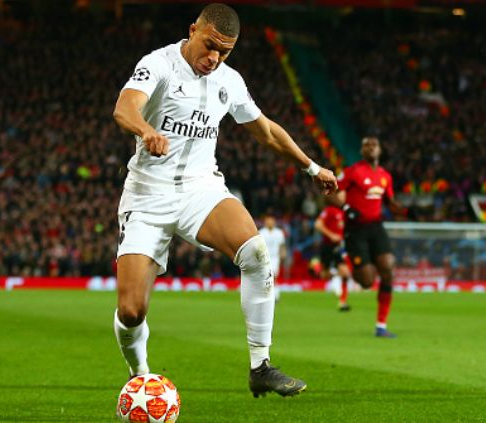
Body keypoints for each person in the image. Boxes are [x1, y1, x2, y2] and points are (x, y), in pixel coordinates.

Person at [111, 3, 337, 398]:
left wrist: (311, 167)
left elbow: (265, 131)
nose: (214, 58)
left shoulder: (229, 81)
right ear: (193, 29)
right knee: (132, 311)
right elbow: (124, 107)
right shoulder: (159, 64)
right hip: (147, 194)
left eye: (225, 52)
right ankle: (140, 374)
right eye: (210, 46)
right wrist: (146, 130)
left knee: (255, 253)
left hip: (202, 189)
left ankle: (260, 365)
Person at [335, 136, 406, 338]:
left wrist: (406, 210)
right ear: (362, 150)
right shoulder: (353, 172)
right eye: (366, 145)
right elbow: (330, 192)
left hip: (376, 226)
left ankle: (381, 325)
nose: (371, 148)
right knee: (366, 281)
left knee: (388, 267)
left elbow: (390, 201)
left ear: (380, 150)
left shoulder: (385, 176)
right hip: (355, 229)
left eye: (374, 144)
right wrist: (346, 208)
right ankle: (354, 261)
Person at [314, 199, 352, 311]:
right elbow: (318, 225)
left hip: (339, 247)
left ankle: (342, 302)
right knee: (324, 275)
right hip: (328, 246)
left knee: (345, 273)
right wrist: (331, 235)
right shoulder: (330, 210)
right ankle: (328, 272)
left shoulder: (344, 212)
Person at [259, 213, 287, 301]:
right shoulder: (261, 232)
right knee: (265, 276)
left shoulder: (279, 233)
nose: (270, 222)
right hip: (264, 258)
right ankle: (267, 295)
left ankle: (275, 295)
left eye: (271, 220)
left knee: (274, 276)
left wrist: (283, 255)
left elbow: (282, 245)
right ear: (265, 222)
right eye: (268, 220)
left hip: (275, 257)